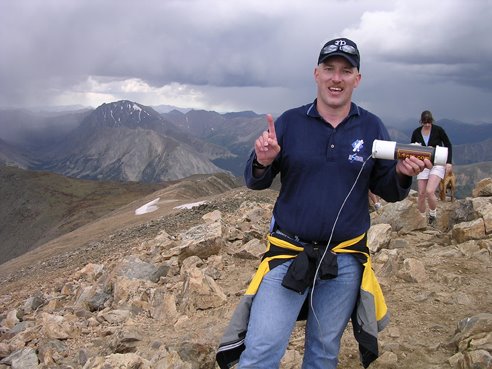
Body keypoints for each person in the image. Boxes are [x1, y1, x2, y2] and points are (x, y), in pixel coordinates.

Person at [216, 37, 431, 369]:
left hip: (344, 261)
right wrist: (263, 160)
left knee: (323, 352)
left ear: (357, 79)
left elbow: (388, 188)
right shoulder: (289, 122)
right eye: (329, 69)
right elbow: (255, 180)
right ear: (316, 74)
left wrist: (402, 174)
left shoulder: (372, 126)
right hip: (288, 255)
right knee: (261, 350)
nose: (336, 78)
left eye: (346, 71)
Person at [411, 110, 453, 225]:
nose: (427, 125)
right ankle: (421, 218)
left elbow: (448, 144)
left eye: (429, 122)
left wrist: (448, 162)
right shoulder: (416, 133)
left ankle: (433, 214)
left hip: (437, 163)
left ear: (432, 121)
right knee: (421, 193)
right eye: (425, 122)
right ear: (421, 122)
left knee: (430, 191)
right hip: (422, 164)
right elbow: (412, 148)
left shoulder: (438, 130)